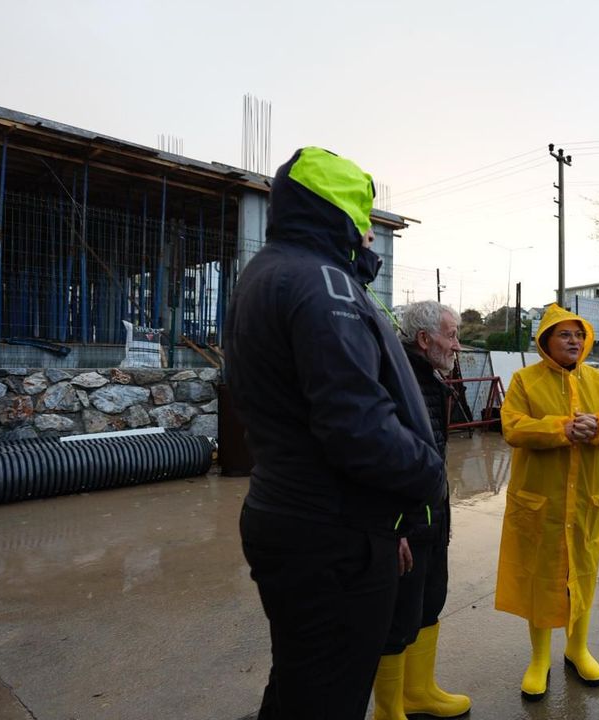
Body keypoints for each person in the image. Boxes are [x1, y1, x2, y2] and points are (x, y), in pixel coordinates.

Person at [225, 147, 445, 720]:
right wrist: (428, 477)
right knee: (329, 696)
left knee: (301, 684)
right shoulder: (325, 284)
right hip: (332, 536)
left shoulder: (270, 272)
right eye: (363, 218)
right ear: (339, 213)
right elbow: (357, 425)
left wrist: (389, 519)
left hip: (303, 516)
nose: (371, 234)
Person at [495, 304, 599, 702]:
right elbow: (512, 426)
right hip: (540, 502)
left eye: (579, 335)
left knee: (582, 574)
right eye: (565, 334)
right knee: (540, 577)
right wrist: (563, 428)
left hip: (585, 501)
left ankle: (577, 649)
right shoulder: (525, 380)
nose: (574, 341)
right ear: (546, 341)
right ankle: (539, 659)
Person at [370, 301, 470, 720]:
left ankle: (419, 692)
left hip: (432, 516)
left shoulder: (429, 379)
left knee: (429, 603)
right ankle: (389, 710)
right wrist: (393, 529)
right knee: (398, 618)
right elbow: (379, 461)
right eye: (452, 335)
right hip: (404, 524)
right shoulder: (396, 379)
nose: (458, 346)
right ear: (425, 339)